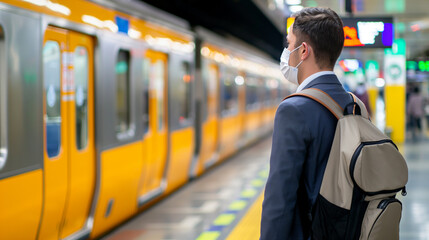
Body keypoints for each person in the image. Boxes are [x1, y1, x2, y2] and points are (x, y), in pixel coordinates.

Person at [260, 7, 353, 240]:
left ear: (303, 51)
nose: (286, 51)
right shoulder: (354, 105)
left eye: (289, 44)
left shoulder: (293, 109)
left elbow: (280, 200)